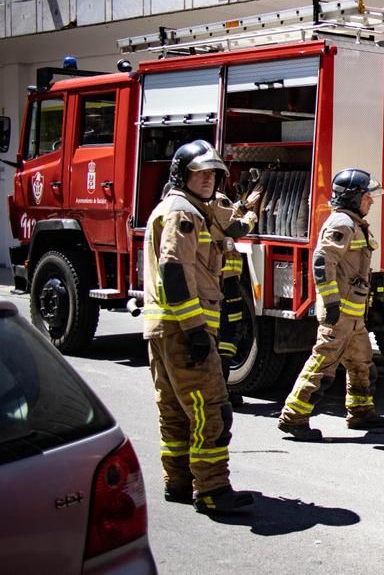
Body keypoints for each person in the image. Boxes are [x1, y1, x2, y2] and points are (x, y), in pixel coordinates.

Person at [143, 140, 254, 514]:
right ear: (181, 173)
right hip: (183, 328)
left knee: (175, 410)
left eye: (213, 173)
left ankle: (177, 482)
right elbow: (175, 273)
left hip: (163, 328)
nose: (208, 178)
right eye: (200, 172)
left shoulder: (186, 209)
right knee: (212, 410)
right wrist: (194, 330)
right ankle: (212, 489)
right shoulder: (182, 213)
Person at [278, 168, 384, 441]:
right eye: (367, 196)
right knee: (322, 367)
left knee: (361, 362)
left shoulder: (353, 222)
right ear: (353, 198)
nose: (371, 201)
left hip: (353, 315)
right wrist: (330, 303)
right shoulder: (342, 223)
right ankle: (293, 417)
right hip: (339, 315)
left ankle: (360, 411)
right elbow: (322, 262)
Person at [207, 184, 262, 407]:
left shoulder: (198, 200)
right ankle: (220, 389)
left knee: (219, 331)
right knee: (229, 331)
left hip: (211, 277)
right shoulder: (216, 198)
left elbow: (219, 216)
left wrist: (240, 204)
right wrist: (250, 215)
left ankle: (217, 387)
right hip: (225, 278)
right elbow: (235, 228)